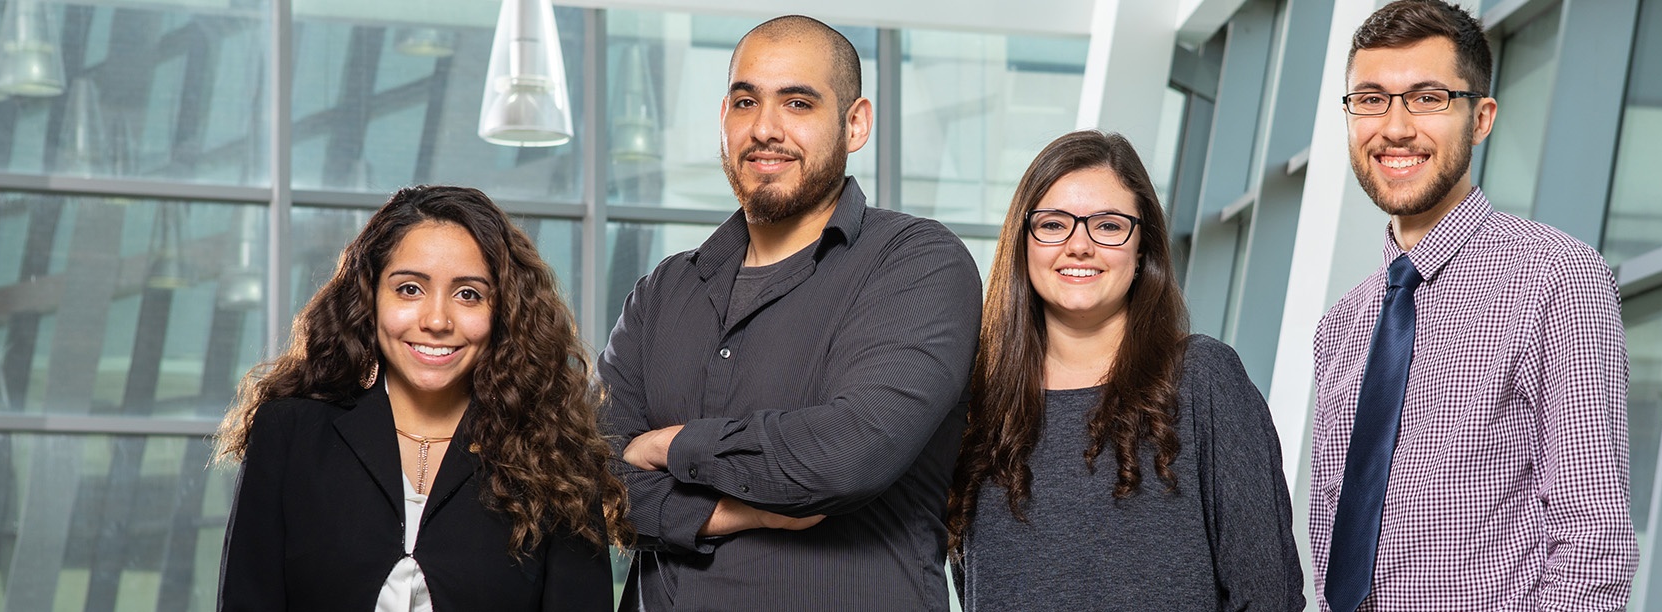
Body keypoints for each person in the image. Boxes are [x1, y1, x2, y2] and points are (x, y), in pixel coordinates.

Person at [600, 14, 982, 612]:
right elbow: (591, 480)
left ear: (855, 123)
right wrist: (734, 511)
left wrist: (669, 446)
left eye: (798, 103)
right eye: (746, 102)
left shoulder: (917, 263)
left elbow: (847, 453)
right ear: (723, 118)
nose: (765, 129)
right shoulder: (663, 291)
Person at [1309, 1, 1640, 610]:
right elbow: (1333, 533)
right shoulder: (1343, 325)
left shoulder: (1557, 278)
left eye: (1428, 98)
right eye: (1371, 99)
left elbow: (1594, 540)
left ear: (1481, 118)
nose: (1396, 127)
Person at [214, 185, 628, 611]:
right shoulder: (289, 433)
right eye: (410, 289)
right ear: (369, 297)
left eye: (468, 294)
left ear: (504, 312)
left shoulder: (557, 459)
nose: (436, 320)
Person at [946, 130, 1303, 611]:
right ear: (1023, 243)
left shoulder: (1201, 379)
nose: (1079, 245)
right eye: (1053, 225)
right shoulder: (978, 406)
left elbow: (1268, 594)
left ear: (1142, 251)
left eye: (1109, 226)